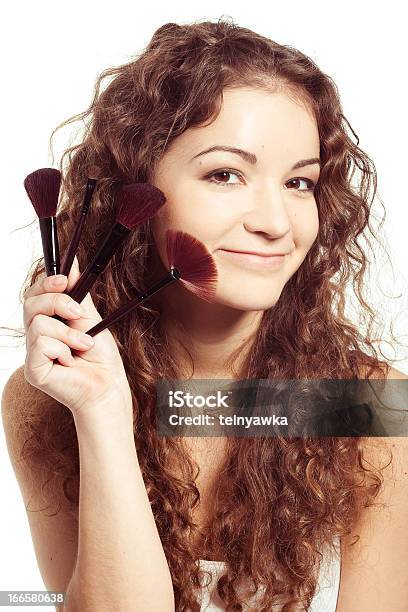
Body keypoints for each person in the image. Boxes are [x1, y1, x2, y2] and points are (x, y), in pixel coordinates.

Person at [2, 17, 408, 612]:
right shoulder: (45, 405)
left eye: (300, 183)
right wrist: (104, 414)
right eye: (225, 174)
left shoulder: (368, 408)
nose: (275, 222)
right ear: (133, 191)